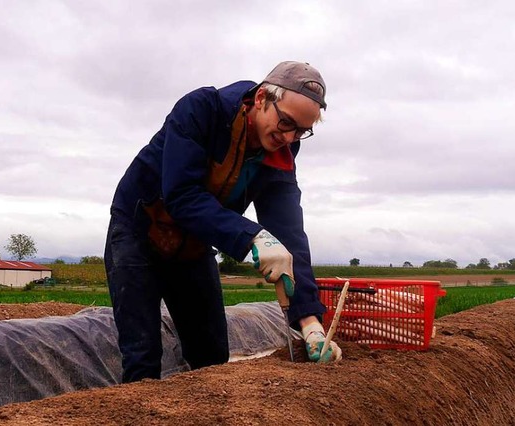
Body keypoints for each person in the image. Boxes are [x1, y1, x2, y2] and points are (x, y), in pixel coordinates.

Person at [104, 61, 341, 383]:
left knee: (212, 356)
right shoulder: (202, 110)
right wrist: (252, 237)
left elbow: (289, 233)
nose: (289, 137)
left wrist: (310, 321)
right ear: (261, 98)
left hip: (194, 243)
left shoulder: (281, 150)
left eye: (301, 131)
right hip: (139, 231)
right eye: (285, 122)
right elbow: (182, 196)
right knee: (143, 356)